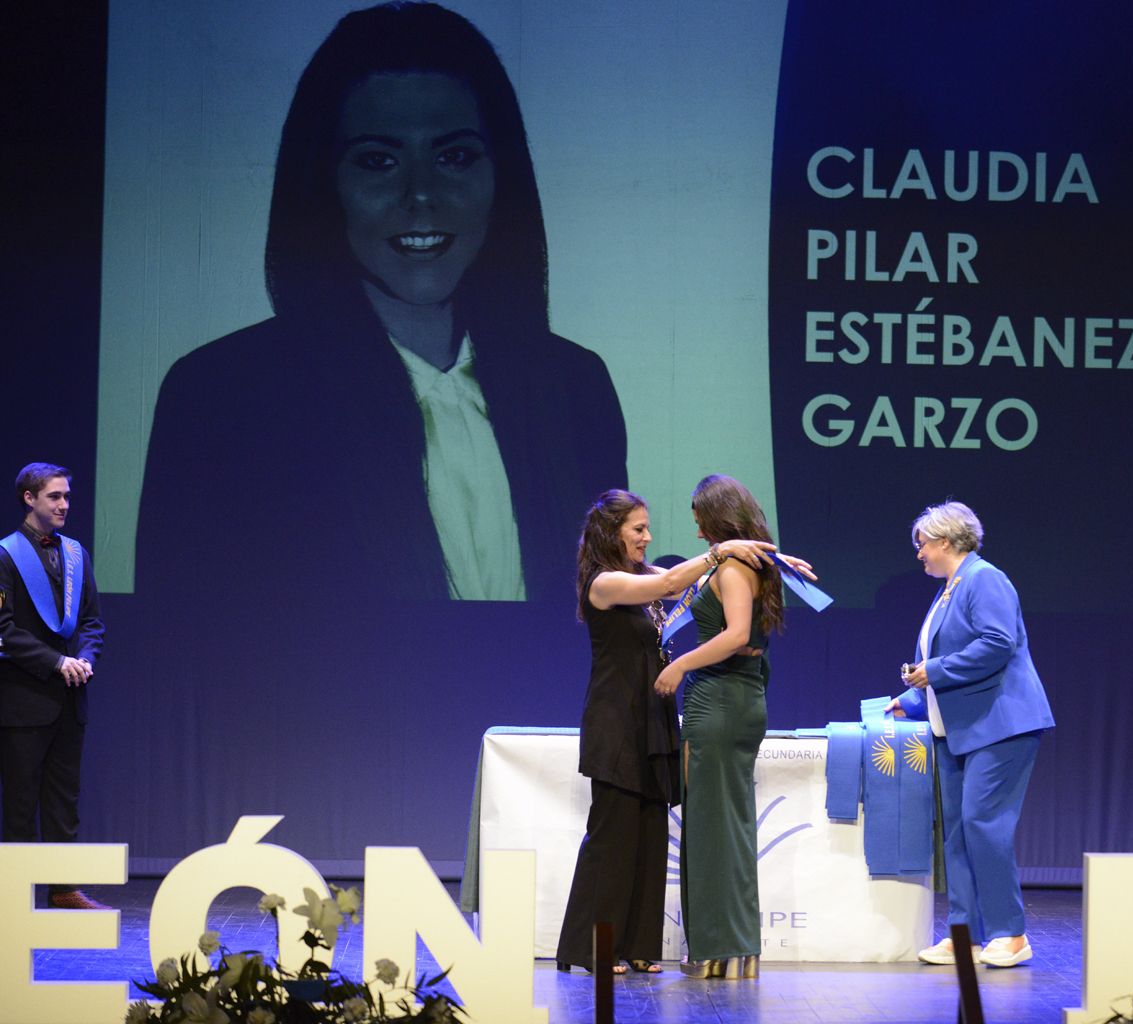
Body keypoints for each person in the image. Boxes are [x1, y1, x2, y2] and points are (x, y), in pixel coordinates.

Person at [137, 1, 625, 602]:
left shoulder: (576, 388)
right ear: (324, 183)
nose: (420, 194)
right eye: (378, 161)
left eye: (454, 156)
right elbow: (182, 657)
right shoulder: (220, 398)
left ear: (501, 177)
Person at [554, 489, 805, 976]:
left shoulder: (645, 575)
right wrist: (722, 550)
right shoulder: (603, 583)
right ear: (612, 533)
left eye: (647, 528)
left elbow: (682, 582)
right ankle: (593, 948)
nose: (648, 538)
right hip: (616, 720)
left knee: (650, 831)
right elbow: (673, 579)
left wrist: (765, 559)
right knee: (614, 834)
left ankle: (639, 945)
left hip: (654, 717)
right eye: (638, 530)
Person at [890, 500, 1053, 969]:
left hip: (1000, 726)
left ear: (944, 541)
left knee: (985, 825)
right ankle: (966, 936)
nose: (918, 553)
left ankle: (1010, 934)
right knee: (960, 834)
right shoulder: (950, 588)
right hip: (959, 729)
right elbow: (951, 665)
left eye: (922, 544)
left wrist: (933, 670)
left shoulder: (985, 578)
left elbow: (998, 644)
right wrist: (914, 699)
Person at [653, 475, 784, 980]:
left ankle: (718, 947)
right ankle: (731, 948)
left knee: (712, 827)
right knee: (724, 824)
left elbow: (735, 634)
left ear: (718, 517)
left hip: (721, 701)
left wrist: (679, 665)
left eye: (700, 519)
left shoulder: (732, 568)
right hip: (738, 696)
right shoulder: (757, 563)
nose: (696, 528)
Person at [0, 464, 108, 910]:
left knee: (65, 798)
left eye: (67, 496)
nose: (64, 505)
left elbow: (91, 622)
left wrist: (84, 658)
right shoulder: (5, 554)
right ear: (30, 499)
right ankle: (17, 895)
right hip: (23, 699)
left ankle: (64, 889)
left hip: (69, 697)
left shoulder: (76, 553)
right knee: (21, 801)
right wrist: (55, 661)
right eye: (54, 497)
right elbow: (3, 629)